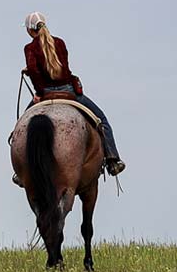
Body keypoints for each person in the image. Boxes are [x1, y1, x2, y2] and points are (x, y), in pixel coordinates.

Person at [23, 11, 125, 175]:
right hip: (69, 91)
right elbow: (63, 68)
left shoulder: (29, 48)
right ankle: (113, 160)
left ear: (29, 30)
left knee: (22, 126)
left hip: (46, 92)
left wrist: (40, 93)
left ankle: (23, 170)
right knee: (102, 120)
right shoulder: (60, 43)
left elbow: (36, 73)